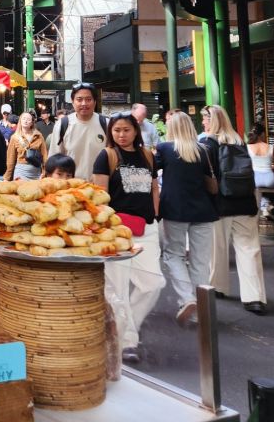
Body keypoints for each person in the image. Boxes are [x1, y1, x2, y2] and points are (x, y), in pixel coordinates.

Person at [91, 112, 163, 363]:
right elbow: (99, 196)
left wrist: (155, 214)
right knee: (117, 288)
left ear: (136, 131)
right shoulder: (106, 156)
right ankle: (126, 340)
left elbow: (154, 186)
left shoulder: (147, 156)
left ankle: (123, 329)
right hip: (116, 229)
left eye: (126, 130)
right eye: (117, 130)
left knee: (153, 283)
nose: (121, 135)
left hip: (146, 227)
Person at [201, 104, 267, 315]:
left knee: (216, 248)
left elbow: (204, 177)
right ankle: (254, 297)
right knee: (249, 249)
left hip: (219, 203)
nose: (203, 122)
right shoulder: (239, 141)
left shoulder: (206, 143)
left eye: (205, 119)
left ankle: (217, 286)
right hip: (245, 201)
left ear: (212, 121)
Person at [157, 111, 219, 329]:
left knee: (173, 255)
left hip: (175, 209)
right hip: (203, 210)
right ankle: (200, 310)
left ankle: (187, 299)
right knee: (200, 261)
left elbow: (152, 173)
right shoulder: (203, 149)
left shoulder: (165, 149)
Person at [48, 82, 108, 181]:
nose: (84, 103)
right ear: (73, 102)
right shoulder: (62, 124)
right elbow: (54, 159)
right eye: (79, 99)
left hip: (100, 187)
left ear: (95, 102)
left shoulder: (106, 123)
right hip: (70, 187)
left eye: (88, 99)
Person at [4, 111, 47, 181]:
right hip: (21, 172)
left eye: (28, 119)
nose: (26, 121)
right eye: (23, 118)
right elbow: (10, 159)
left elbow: (44, 155)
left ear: (32, 122)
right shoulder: (15, 137)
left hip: (36, 172)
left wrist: (44, 172)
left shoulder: (39, 136)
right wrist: (7, 177)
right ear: (20, 121)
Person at [246, 124, 274, 189]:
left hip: (254, 180)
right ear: (262, 134)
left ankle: (262, 199)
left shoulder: (247, 147)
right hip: (270, 180)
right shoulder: (271, 147)